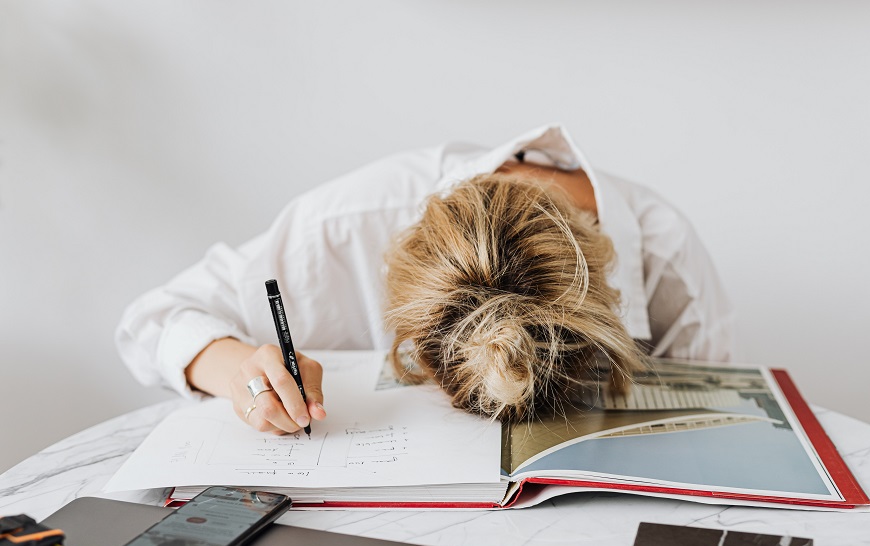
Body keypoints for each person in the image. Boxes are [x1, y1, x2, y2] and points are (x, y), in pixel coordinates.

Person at [116, 125, 735, 433]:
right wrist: (238, 369)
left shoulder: (668, 256)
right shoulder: (346, 224)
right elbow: (152, 320)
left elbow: (708, 428)